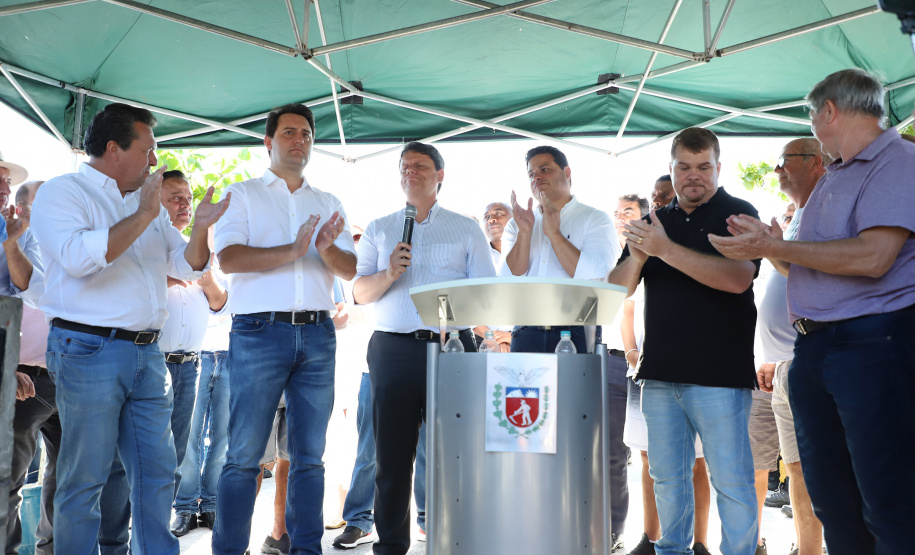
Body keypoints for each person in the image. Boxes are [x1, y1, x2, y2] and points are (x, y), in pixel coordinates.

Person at [709, 68, 915, 554]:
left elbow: (873, 256)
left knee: (886, 499)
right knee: (833, 502)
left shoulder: (899, 161)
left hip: (872, 344)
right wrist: (770, 246)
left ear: (830, 111)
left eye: (813, 116)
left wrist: (781, 248)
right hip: (816, 349)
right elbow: (807, 266)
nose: (815, 129)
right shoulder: (835, 174)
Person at [29, 102, 227, 555]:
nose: (155, 161)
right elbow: (80, 259)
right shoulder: (65, 192)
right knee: (86, 477)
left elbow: (186, 263)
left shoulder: (148, 202)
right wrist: (142, 213)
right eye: (148, 149)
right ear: (114, 149)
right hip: (87, 347)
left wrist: (201, 228)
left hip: (146, 353)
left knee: (159, 473)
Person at [213, 102, 356, 555]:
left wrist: (326, 250)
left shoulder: (328, 201)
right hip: (258, 332)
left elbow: (350, 269)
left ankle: (306, 549)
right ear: (268, 141)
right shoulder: (243, 193)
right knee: (243, 458)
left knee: (310, 459)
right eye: (290, 132)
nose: (300, 141)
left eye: (307, 134)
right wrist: (293, 250)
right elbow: (228, 258)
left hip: (317, 333)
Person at [609, 127, 760, 555]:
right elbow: (615, 293)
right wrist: (640, 253)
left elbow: (737, 279)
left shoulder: (738, 212)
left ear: (718, 167)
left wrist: (665, 250)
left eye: (703, 167)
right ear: (671, 169)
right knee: (667, 481)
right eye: (684, 167)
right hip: (659, 377)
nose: (694, 176)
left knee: (731, 481)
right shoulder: (655, 222)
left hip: (719, 378)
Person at [353, 142, 494, 555]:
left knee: (457, 453)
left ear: (440, 175)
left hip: (452, 346)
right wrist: (388, 272)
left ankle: (457, 541)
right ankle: (391, 546)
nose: (410, 171)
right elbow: (359, 292)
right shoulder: (380, 227)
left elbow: (484, 292)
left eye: (419, 165)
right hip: (393, 350)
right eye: (404, 166)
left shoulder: (466, 228)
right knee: (392, 457)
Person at [501, 145, 625, 551]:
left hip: (574, 333)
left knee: (577, 434)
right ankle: (531, 521)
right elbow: (513, 274)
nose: (538, 177)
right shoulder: (522, 219)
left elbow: (592, 276)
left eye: (546, 169)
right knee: (525, 432)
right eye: (532, 172)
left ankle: (588, 529)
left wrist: (553, 233)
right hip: (525, 334)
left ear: (567, 173)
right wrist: (524, 231)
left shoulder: (594, 219)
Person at [619, 188, 712, 555]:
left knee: (697, 463)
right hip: (644, 372)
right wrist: (632, 353)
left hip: (695, 373)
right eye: (656, 198)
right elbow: (624, 306)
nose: (661, 203)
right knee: (646, 457)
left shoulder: (699, 243)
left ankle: (700, 542)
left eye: (665, 197)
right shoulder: (640, 245)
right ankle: (651, 537)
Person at [3, 157, 52, 555]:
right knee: (10, 476)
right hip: (19, 376)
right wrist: (7, 367)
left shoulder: (41, 240)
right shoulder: (14, 237)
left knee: (69, 475)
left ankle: (51, 547)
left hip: (63, 375)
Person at [473, 201, 513, 352]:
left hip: (526, 340)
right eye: (487, 217)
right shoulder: (476, 258)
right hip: (483, 341)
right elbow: (467, 303)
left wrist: (513, 337)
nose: (492, 219)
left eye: (498, 213)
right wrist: (492, 338)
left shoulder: (533, 254)